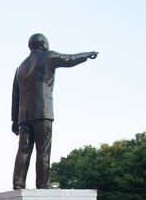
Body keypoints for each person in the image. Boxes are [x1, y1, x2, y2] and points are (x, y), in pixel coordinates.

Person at [11, 33, 97, 189]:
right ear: (43, 44)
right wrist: (86, 55)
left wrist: (14, 120)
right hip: (42, 111)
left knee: (23, 150)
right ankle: (43, 184)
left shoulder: (20, 68)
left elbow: (15, 96)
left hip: (23, 116)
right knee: (43, 150)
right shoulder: (47, 56)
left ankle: (18, 183)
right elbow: (69, 59)